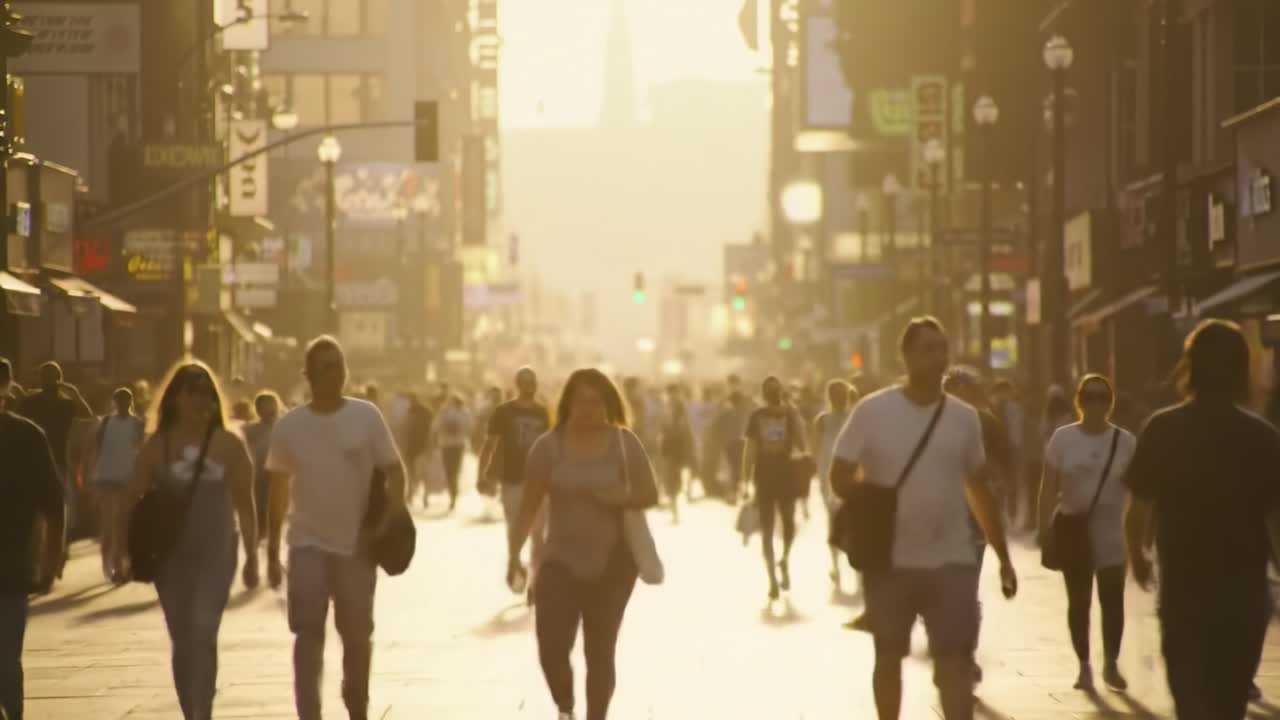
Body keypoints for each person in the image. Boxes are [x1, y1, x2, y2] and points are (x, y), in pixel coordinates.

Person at [830, 317, 1016, 720]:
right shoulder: (873, 411)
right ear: (908, 355)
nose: (937, 357)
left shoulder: (965, 419)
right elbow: (839, 473)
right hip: (890, 560)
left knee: (954, 664)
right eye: (927, 349)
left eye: (941, 348)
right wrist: (872, 501)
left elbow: (978, 488)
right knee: (889, 657)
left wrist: (1002, 553)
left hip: (952, 559)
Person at [1124, 319, 1280, 719]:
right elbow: (1275, 520)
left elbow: (1138, 507)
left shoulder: (1163, 429)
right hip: (1243, 594)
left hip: (1183, 592)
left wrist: (1138, 557)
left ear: (1190, 366)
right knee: (1229, 705)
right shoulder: (1262, 437)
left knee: (1190, 702)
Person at [265, 336, 406, 720]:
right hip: (306, 544)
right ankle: (308, 711)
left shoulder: (366, 416)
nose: (332, 372)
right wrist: (271, 549)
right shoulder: (289, 426)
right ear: (308, 374)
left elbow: (394, 469)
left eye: (338, 364)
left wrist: (392, 517)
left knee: (357, 635)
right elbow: (277, 489)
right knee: (308, 633)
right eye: (323, 366)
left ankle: (357, 700)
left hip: (358, 546)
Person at [508, 368, 659, 720]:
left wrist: (618, 497)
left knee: (600, 650)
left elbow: (650, 493)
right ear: (568, 403)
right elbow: (528, 506)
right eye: (581, 401)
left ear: (608, 404)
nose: (589, 409)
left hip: (614, 564)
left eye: (596, 402)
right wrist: (514, 555)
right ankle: (566, 705)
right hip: (559, 561)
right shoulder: (547, 447)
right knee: (551, 647)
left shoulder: (624, 443)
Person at [124, 361, 259, 720]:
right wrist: (118, 546)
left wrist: (254, 558)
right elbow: (132, 498)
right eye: (193, 393)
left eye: (207, 394)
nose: (201, 401)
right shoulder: (158, 445)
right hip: (170, 557)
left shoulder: (229, 444)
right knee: (182, 638)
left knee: (203, 628)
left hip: (217, 552)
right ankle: (191, 710)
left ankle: (203, 711)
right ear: (176, 398)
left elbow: (246, 505)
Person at [1037, 374, 1136, 692]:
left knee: (1112, 599)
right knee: (1078, 600)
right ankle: (1083, 665)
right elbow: (1048, 487)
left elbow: (1138, 494)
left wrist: (1138, 536)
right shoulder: (1063, 439)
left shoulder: (1125, 442)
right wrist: (1044, 529)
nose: (1096, 404)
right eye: (1089, 397)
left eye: (1102, 398)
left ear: (1110, 403)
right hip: (1073, 528)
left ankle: (1110, 663)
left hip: (1111, 531)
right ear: (1079, 401)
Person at [0, 357, 66, 720]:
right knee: (7, 658)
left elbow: (54, 505)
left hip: (11, 567)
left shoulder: (29, 435)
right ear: (9, 387)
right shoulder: (28, 435)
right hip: (13, 565)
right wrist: (51, 560)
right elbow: (54, 505)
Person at [942, 366, 1013, 685]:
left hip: (973, 520)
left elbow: (1005, 465)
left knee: (966, 589)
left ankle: (965, 654)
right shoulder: (931, 421)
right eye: (953, 388)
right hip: (938, 522)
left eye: (962, 388)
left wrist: (997, 491)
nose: (958, 394)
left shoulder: (986, 423)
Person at [479, 367, 552, 597]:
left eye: (532, 383)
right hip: (512, 480)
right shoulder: (503, 412)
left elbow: (552, 448)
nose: (529, 387)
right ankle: (514, 561)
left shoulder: (543, 413)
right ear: (518, 385)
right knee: (515, 529)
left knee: (538, 534)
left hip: (538, 481)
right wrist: (483, 474)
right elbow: (489, 444)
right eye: (526, 383)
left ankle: (536, 580)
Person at [743, 375, 808, 600]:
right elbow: (802, 445)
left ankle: (772, 578)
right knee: (788, 522)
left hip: (764, 476)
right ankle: (784, 560)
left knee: (768, 529)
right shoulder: (790, 414)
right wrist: (795, 415)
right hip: (786, 474)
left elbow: (749, 450)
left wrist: (744, 478)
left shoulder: (756, 416)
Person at [82, 387, 144, 582]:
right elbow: (94, 449)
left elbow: (142, 451)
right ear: (115, 402)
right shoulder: (106, 422)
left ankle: (119, 565)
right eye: (120, 401)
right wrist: (89, 473)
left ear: (131, 402)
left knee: (123, 523)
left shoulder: (137, 424)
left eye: (126, 401)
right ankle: (109, 563)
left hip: (127, 478)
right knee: (110, 523)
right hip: (106, 477)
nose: (123, 404)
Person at [814, 379, 857, 586]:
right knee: (833, 520)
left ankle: (856, 562)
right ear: (829, 397)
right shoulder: (823, 421)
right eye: (834, 395)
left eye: (841, 394)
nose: (838, 399)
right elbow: (815, 449)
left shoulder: (855, 417)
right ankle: (835, 564)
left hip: (852, 475)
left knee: (854, 519)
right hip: (827, 478)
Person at [242, 391, 282, 542]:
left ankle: (272, 553)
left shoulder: (285, 428)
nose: (268, 411)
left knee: (274, 521)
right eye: (263, 407)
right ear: (258, 410)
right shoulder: (249, 431)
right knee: (259, 524)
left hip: (278, 480)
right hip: (257, 481)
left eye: (271, 407)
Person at [657, 385, 694, 523]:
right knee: (670, 480)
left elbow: (680, 429)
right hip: (670, 448)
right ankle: (673, 511)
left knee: (672, 480)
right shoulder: (669, 408)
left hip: (675, 448)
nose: (670, 397)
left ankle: (675, 513)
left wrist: (667, 434)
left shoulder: (679, 409)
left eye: (672, 394)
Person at [433, 394, 473, 512]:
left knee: (450, 471)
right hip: (455, 445)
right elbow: (470, 428)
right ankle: (453, 492)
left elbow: (435, 427)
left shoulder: (445, 412)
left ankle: (453, 493)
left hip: (449, 445)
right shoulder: (463, 412)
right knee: (453, 471)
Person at [403, 392, 434, 508]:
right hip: (412, 447)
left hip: (422, 447)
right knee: (411, 473)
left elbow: (431, 430)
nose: (411, 403)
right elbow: (405, 429)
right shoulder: (410, 411)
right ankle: (411, 495)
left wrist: (430, 446)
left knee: (423, 473)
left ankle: (424, 496)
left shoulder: (425, 412)